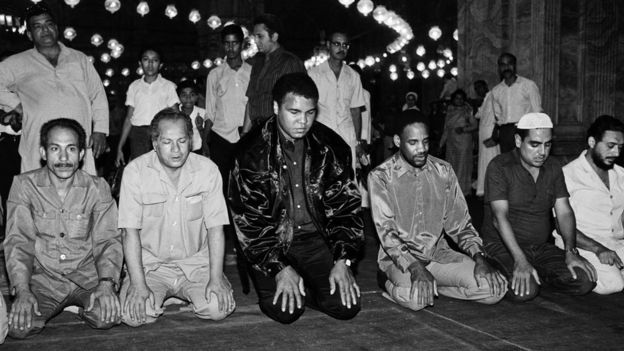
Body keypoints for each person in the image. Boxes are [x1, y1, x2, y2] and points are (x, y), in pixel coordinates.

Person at [229, 73, 364, 324]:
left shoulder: (331, 147)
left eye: (310, 113)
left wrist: (342, 258)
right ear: (276, 107)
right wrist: (278, 267)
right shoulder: (250, 152)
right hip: (271, 242)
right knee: (287, 312)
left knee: (347, 307)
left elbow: (346, 208)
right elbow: (250, 223)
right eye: (294, 112)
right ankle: (293, 285)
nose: (303, 121)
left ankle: (308, 287)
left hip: (314, 240)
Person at [368, 110, 506, 311]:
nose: (422, 149)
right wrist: (414, 267)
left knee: (494, 289)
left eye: (425, 141)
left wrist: (479, 258)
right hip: (400, 261)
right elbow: (387, 233)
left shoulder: (443, 171)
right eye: (413, 142)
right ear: (398, 141)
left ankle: (433, 287)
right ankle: (389, 283)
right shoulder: (380, 177)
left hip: (438, 257)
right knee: (416, 301)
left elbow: (460, 224)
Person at [4, 118, 122, 338]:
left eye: (71, 149)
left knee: (108, 317)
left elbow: (108, 240)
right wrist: (22, 290)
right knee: (19, 328)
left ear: (81, 155)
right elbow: (18, 241)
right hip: (44, 280)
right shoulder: (24, 186)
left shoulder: (97, 187)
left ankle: (80, 306)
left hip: (87, 278)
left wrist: (106, 284)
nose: (64, 158)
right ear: (43, 152)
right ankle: (59, 304)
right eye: (55, 149)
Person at [118, 108, 234, 327]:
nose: (175, 150)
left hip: (196, 265)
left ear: (190, 140)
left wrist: (216, 278)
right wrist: (138, 284)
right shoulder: (135, 172)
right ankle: (165, 294)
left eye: (181, 141)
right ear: (154, 142)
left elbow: (216, 229)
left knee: (218, 309)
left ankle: (182, 293)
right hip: (151, 266)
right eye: (167, 142)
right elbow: (128, 232)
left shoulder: (207, 170)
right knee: (134, 316)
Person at [482, 112, 596, 302]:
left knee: (584, 281)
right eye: (534, 144)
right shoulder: (500, 166)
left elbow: (564, 212)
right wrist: (519, 259)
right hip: (503, 247)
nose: (542, 152)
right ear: (518, 141)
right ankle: (496, 267)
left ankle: (533, 277)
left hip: (540, 248)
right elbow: (498, 217)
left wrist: (571, 251)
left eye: (547, 144)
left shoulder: (553, 167)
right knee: (524, 293)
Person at [0, 3, 109, 174]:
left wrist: (101, 130)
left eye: (49, 24)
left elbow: (98, 94)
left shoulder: (79, 59)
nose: (45, 30)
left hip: (78, 143)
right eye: (38, 26)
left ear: (56, 28)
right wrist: (15, 105)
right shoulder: (17, 63)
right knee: (39, 194)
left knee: (81, 193)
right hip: (38, 146)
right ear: (29, 34)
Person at [554, 115, 624, 294]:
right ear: (592, 141)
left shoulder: (621, 174)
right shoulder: (568, 175)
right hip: (582, 246)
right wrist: (598, 249)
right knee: (613, 284)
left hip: (616, 243)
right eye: (610, 146)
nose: (616, 153)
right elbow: (560, 225)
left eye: (620, 147)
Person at [308, 30, 366, 169]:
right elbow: (308, 108)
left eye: (345, 45)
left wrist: (357, 142)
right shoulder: (314, 74)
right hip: (322, 134)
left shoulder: (353, 76)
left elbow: (356, 110)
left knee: (347, 178)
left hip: (347, 134)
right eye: (337, 44)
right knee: (323, 176)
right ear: (329, 45)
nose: (341, 48)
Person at [205, 24, 252, 187]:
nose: (231, 47)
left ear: (242, 44)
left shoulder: (252, 72)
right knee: (221, 185)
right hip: (221, 138)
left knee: (246, 185)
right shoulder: (215, 74)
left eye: (235, 43)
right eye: (227, 43)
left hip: (246, 136)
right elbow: (209, 111)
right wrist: (205, 142)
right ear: (222, 45)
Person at [115, 48, 179, 166]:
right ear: (140, 63)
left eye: (154, 60)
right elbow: (129, 117)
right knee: (141, 169)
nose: (150, 64)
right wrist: (120, 146)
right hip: (138, 134)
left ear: (160, 64)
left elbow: (176, 114)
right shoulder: (134, 86)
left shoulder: (168, 86)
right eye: (146, 60)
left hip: (161, 132)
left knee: (162, 168)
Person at [242, 14, 305, 133]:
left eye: (260, 36)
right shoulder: (258, 63)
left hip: (280, 132)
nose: (256, 41)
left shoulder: (290, 63)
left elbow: (299, 103)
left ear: (274, 36)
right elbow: (251, 102)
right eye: (254, 36)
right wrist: (245, 134)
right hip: (256, 132)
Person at [491, 53, 542, 153]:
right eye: (502, 65)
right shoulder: (496, 90)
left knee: (524, 162)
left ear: (515, 65)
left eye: (509, 64)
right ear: (499, 68)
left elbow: (537, 111)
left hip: (524, 129)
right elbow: (498, 116)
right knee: (508, 163)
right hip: (505, 132)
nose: (506, 67)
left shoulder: (528, 85)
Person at [439, 89, 478, 196]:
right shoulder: (450, 111)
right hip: (451, 141)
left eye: (461, 98)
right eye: (457, 98)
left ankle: (462, 190)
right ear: (453, 100)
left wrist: (464, 129)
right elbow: (446, 129)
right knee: (451, 164)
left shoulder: (467, 110)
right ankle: (452, 188)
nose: (459, 100)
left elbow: (475, 125)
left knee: (462, 165)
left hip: (464, 141)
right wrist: (441, 144)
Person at [474, 81, 500, 197]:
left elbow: (499, 116)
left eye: (480, 87)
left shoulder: (493, 95)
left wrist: (494, 136)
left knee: (491, 159)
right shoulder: (485, 99)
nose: (478, 90)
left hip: (490, 132)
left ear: (486, 86)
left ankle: (492, 188)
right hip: (483, 132)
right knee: (483, 160)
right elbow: (478, 115)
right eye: (476, 88)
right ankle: (483, 188)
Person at [177, 80, 206, 154]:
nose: (188, 98)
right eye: (184, 95)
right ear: (178, 97)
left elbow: (208, 140)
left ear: (197, 97)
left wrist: (200, 128)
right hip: (179, 151)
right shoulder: (175, 113)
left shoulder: (203, 113)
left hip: (197, 152)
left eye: (192, 95)